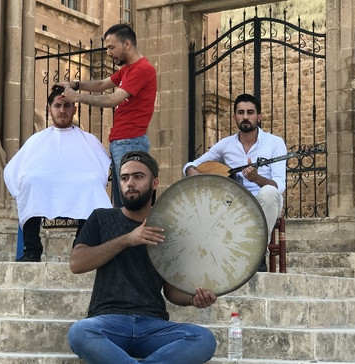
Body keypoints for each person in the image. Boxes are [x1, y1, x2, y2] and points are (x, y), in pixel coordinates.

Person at [67, 151, 217, 364]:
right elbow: (77, 263)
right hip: (108, 323)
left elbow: (172, 291)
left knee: (203, 339)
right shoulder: (101, 218)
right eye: (125, 177)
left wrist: (194, 299)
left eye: (138, 176)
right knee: (79, 332)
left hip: (153, 326)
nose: (130, 183)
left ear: (155, 182)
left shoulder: (168, 228)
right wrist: (127, 239)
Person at [3, 85, 112, 262]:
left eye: (67, 106)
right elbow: (15, 169)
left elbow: (100, 170)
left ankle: (81, 246)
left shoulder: (88, 140)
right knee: (30, 182)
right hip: (44, 188)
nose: (62, 110)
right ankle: (32, 250)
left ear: (74, 109)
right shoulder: (37, 139)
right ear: (49, 109)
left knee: (92, 186)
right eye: (57, 106)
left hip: (78, 188)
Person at [183, 93, 287, 271]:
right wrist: (192, 172)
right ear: (234, 117)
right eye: (240, 112)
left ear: (259, 116)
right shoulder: (226, 145)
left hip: (266, 204)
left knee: (269, 192)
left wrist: (257, 178)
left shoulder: (275, 143)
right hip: (234, 204)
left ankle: (257, 253)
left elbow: (280, 185)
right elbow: (192, 164)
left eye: (250, 112)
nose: (245, 117)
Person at [59, 23, 157, 208]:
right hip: (123, 142)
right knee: (122, 203)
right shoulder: (128, 69)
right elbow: (102, 84)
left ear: (127, 44)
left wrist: (77, 97)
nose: (109, 53)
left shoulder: (142, 69)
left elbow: (113, 99)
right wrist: (76, 84)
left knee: (129, 201)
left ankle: (133, 235)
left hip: (130, 141)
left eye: (112, 47)